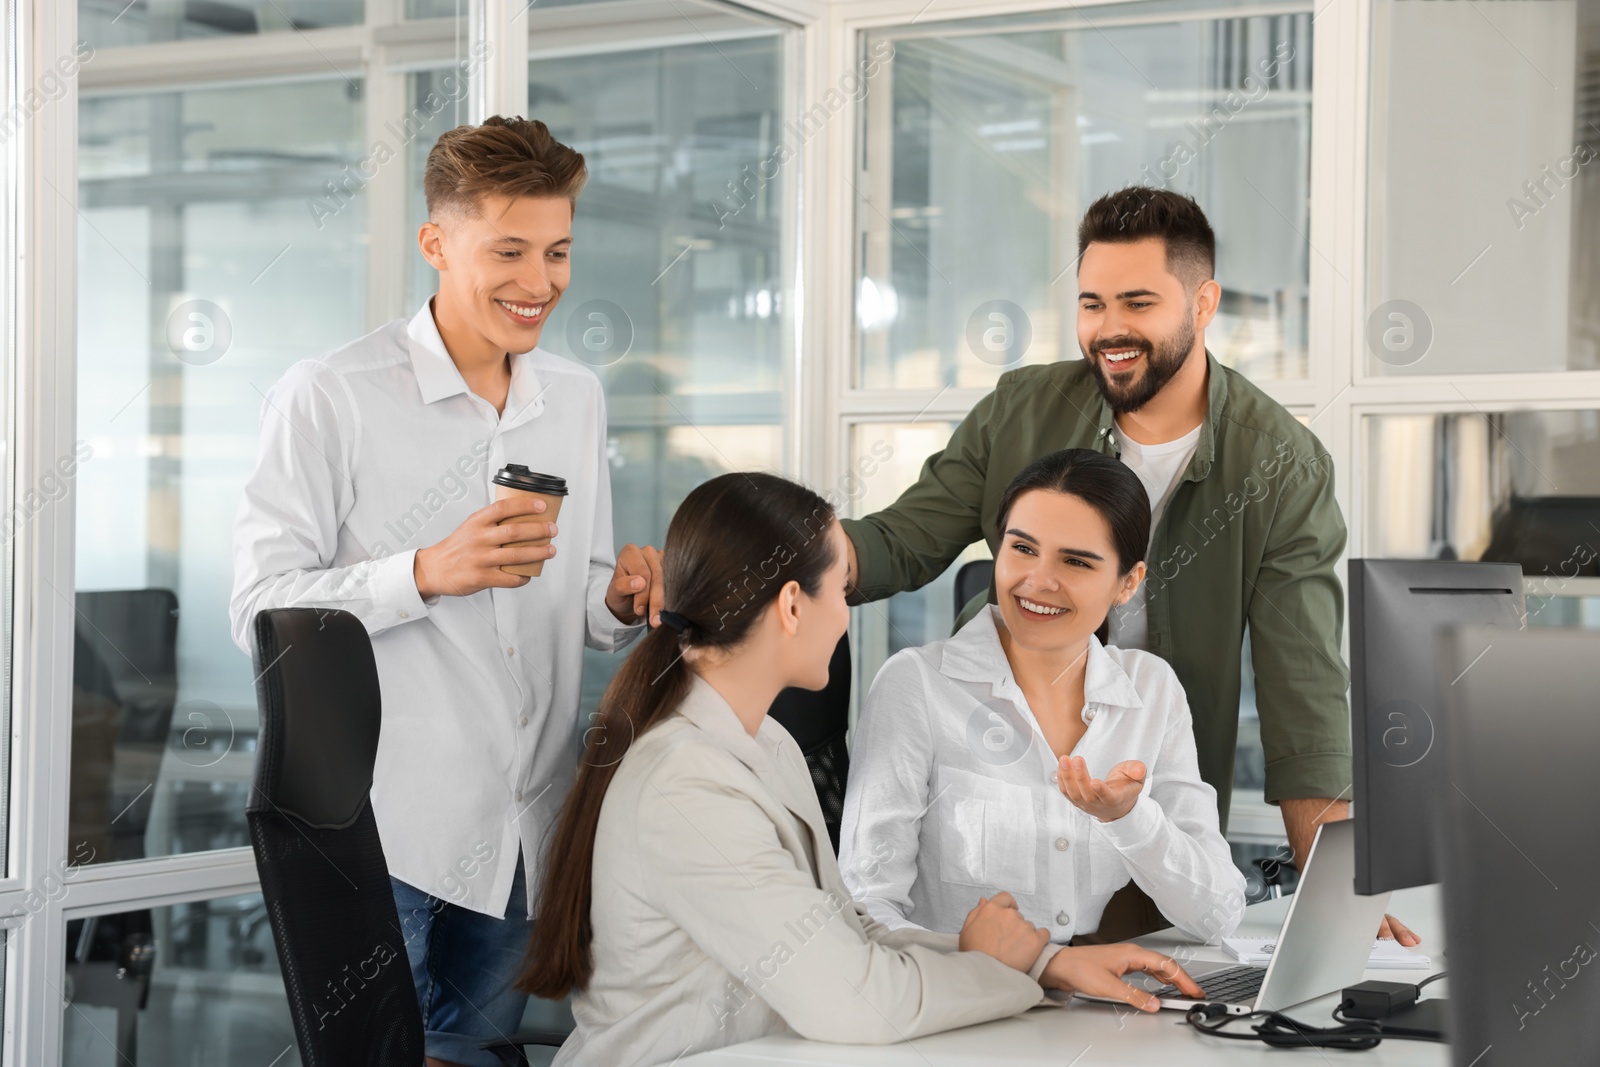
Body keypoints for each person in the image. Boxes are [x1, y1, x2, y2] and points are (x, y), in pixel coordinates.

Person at [840, 186, 1417, 946]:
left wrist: (1342, 910)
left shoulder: (1278, 464)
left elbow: (1303, 693)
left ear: (1203, 302)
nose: (1109, 329)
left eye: (1138, 303)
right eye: (1091, 303)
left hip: (1148, 816)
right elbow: (898, 540)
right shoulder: (1020, 410)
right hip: (997, 805)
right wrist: (753, 560)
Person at [230, 117, 665, 1067]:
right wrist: (424, 572)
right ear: (436, 243)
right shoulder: (331, 395)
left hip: (523, 828)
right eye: (508, 250)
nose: (540, 283)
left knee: (478, 1053)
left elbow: (582, 597)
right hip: (388, 836)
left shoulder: (575, 395)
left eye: (557, 252)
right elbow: (260, 607)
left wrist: (622, 600)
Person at [519, 472, 1202, 1067]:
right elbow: (856, 1001)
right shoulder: (688, 786)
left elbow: (849, 933)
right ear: (792, 605)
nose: (846, 615)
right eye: (838, 591)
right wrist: (993, 967)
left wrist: (1049, 962)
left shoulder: (768, 746)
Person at [840, 448, 1246, 948]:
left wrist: (1128, 818)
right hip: (955, 1003)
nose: (1039, 582)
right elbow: (865, 911)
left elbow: (1218, 915)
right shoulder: (917, 684)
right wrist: (1029, 963)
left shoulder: (1151, 689)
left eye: (1075, 561)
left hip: (1083, 1009)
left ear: (1128, 583)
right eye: (1023, 549)